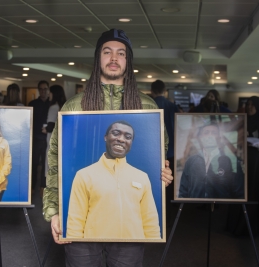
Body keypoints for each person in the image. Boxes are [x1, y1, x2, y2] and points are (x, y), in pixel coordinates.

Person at [43, 28, 173, 267]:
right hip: (82, 227)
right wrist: (54, 211)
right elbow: (55, 161)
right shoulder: (74, 106)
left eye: (121, 53)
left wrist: (161, 174)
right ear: (98, 58)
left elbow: (160, 154)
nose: (114, 58)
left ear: (128, 60)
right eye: (107, 52)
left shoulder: (147, 107)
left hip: (128, 230)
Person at [67, 121, 160, 239]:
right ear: (106, 137)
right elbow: (76, 217)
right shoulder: (84, 175)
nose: (121, 139)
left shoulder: (142, 177)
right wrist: (76, 245)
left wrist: (155, 240)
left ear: (131, 143)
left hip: (131, 247)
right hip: (93, 246)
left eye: (128, 137)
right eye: (116, 133)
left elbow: (149, 217)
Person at [227, 96, 259, 235]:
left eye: (253, 105)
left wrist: (253, 143)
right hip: (245, 158)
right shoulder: (243, 120)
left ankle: (254, 227)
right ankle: (237, 225)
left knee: (256, 191)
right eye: (248, 104)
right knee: (242, 190)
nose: (250, 107)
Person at [178, 121, 244, 199]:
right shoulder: (191, 161)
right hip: (195, 209)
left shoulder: (231, 162)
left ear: (219, 138)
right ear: (200, 138)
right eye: (206, 133)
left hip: (222, 209)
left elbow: (240, 193)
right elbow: (183, 191)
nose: (210, 136)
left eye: (214, 133)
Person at [150, 79, 180, 224]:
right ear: (164, 90)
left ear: (152, 90)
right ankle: (168, 216)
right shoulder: (172, 106)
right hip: (172, 151)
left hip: (154, 150)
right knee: (168, 184)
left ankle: (156, 216)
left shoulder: (149, 105)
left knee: (153, 183)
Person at [41, 85, 66, 192]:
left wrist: (44, 129)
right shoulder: (64, 106)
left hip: (52, 142)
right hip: (62, 142)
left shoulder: (53, 107)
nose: (48, 94)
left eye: (49, 92)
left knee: (50, 169)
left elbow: (50, 126)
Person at [28, 80, 50, 190]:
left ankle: (43, 188)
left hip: (48, 139)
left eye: (45, 89)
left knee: (46, 164)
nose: (43, 91)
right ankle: (31, 188)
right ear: (38, 90)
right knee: (34, 164)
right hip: (35, 138)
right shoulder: (32, 104)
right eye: (41, 89)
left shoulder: (52, 104)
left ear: (48, 90)